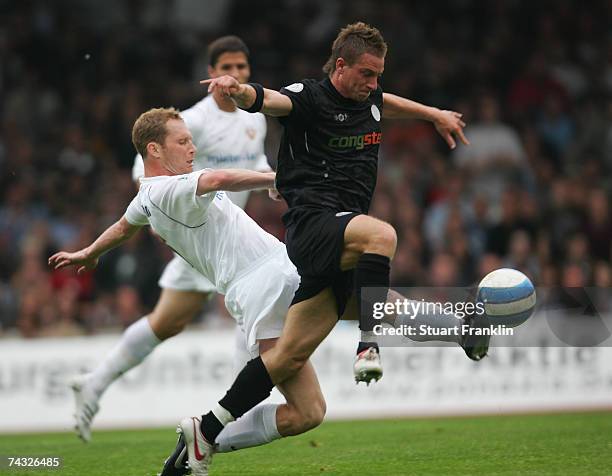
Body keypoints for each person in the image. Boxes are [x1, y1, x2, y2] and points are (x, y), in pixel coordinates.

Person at [168, 22, 481, 476]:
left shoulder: (368, 95)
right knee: (383, 237)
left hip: (338, 240)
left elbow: (384, 103)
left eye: (378, 75)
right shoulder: (309, 97)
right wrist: (239, 92)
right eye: (367, 74)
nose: (374, 84)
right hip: (314, 225)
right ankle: (367, 348)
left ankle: (207, 430)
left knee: (295, 367)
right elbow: (271, 100)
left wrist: (433, 113)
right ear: (340, 66)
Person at [49, 108, 327, 475]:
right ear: (155, 150)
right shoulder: (170, 189)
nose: (192, 148)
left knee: (308, 413)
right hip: (265, 283)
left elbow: (122, 227)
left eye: (192, 140)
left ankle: (201, 439)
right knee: (361, 299)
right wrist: (276, 177)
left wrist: (90, 253)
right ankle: (206, 432)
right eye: (182, 142)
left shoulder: (147, 196)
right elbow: (219, 178)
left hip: (270, 275)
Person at [67, 36, 275, 443]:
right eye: (227, 68)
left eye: (243, 68)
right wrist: (163, 213)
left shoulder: (255, 116)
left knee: (169, 321)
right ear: (212, 74)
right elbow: (142, 170)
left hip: (227, 236)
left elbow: (257, 162)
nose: (236, 75)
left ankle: (94, 382)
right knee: (232, 308)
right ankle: (235, 409)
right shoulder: (192, 120)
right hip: (198, 234)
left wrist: (271, 182)